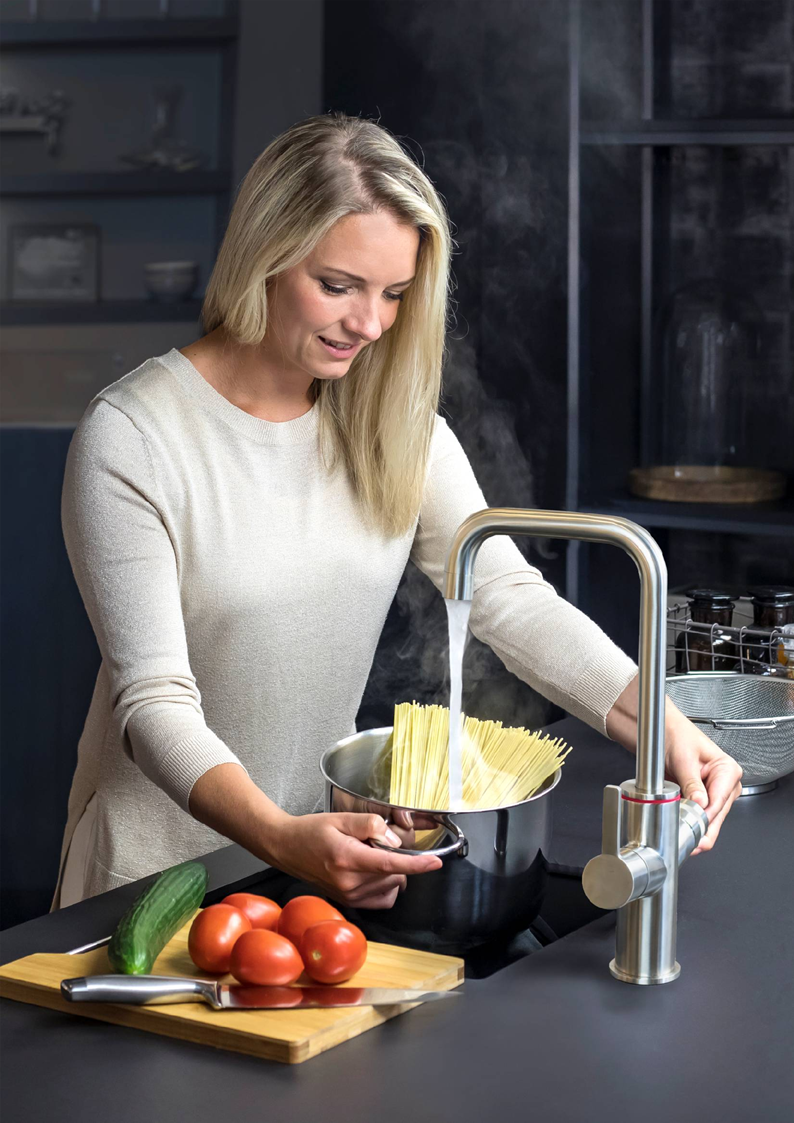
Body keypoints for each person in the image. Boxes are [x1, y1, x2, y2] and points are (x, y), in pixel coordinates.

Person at [54, 112, 742, 911]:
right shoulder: (135, 435)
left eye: (394, 294)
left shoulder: (394, 423)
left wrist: (660, 723)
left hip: (315, 877)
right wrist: (280, 833)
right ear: (263, 260)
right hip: (149, 887)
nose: (371, 324)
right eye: (338, 286)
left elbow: (507, 599)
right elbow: (153, 704)